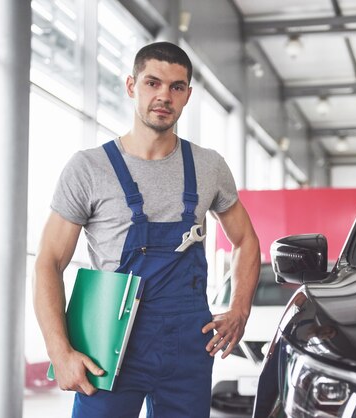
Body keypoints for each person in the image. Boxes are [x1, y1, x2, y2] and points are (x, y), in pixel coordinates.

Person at [33, 41, 261, 418]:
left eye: (176, 87)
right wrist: (59, 350)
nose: (164, 96)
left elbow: (245, 241)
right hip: (106, 350)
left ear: (188, 95)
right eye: (153, 83)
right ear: (131, 86)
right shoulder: (89, 168)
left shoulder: (209, 167)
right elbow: (48, 262)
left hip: (188, 350)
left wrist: (240, 310)